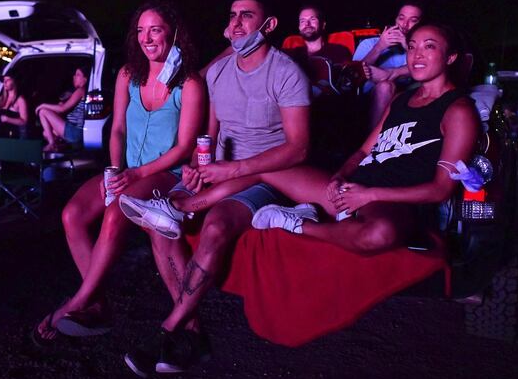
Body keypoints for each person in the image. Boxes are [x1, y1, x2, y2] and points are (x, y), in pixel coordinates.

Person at [141, 23, 477, 258]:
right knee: (267, 160)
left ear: (450, 58)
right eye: (413, 46)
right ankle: (179, 208)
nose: (416, 54)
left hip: (392, 201)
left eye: (429, 47)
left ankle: (296, 222)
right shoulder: (402, 100)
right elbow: (363, 150)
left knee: (380, 235)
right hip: (352, 189)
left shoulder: (457, 111)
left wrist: (368, 194)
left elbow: (440, 190)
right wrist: (341, 177)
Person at [118, 0, 311, 377]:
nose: (235, 22)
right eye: (232, 14)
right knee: (158, 227)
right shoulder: (220, 73)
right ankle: (192, 330)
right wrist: (194, 167)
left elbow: (298, 149)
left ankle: (169, 330)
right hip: (218, 172)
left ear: (269, 25)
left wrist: (232, 171)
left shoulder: (287, 72)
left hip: (264, 175)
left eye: (247, 16)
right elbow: (207, 140)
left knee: (218, 223)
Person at [32, 0, 205, 345]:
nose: (146, 37)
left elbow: (185, 147)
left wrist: (137, 175)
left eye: (155, 29)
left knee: (115, 213)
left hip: (164, 173)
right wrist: (114, 169)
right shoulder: (128, 73)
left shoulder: (190, 84)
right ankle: (97, 304)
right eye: (140, 30)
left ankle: (78, 299)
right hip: (127, 171)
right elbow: (118, 130)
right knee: (72, 214)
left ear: (173, 33)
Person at [353, 2, 424, 129]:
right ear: (395, 20)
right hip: (369, 98)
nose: (405, 25)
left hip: (406, 97)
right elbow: (354, 72)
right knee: (385, 86)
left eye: (413, 20)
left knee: (387, 84)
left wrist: (408, 47)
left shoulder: (420, 50)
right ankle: (373, 144)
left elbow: (427, 69)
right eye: (401, 18)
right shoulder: (369, 43)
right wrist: (380, 46)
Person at [34, 67, 88, 152]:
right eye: (74, 75)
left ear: (85, 79)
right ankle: (60, 146)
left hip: (74, 131)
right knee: (46, 132)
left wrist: (43, 105)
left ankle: (52, 144)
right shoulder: (76, 91)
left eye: (78, 75)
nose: (74, 77)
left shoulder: (81, 91)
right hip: (72, 130)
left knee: (43, 112)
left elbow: (62, 109)